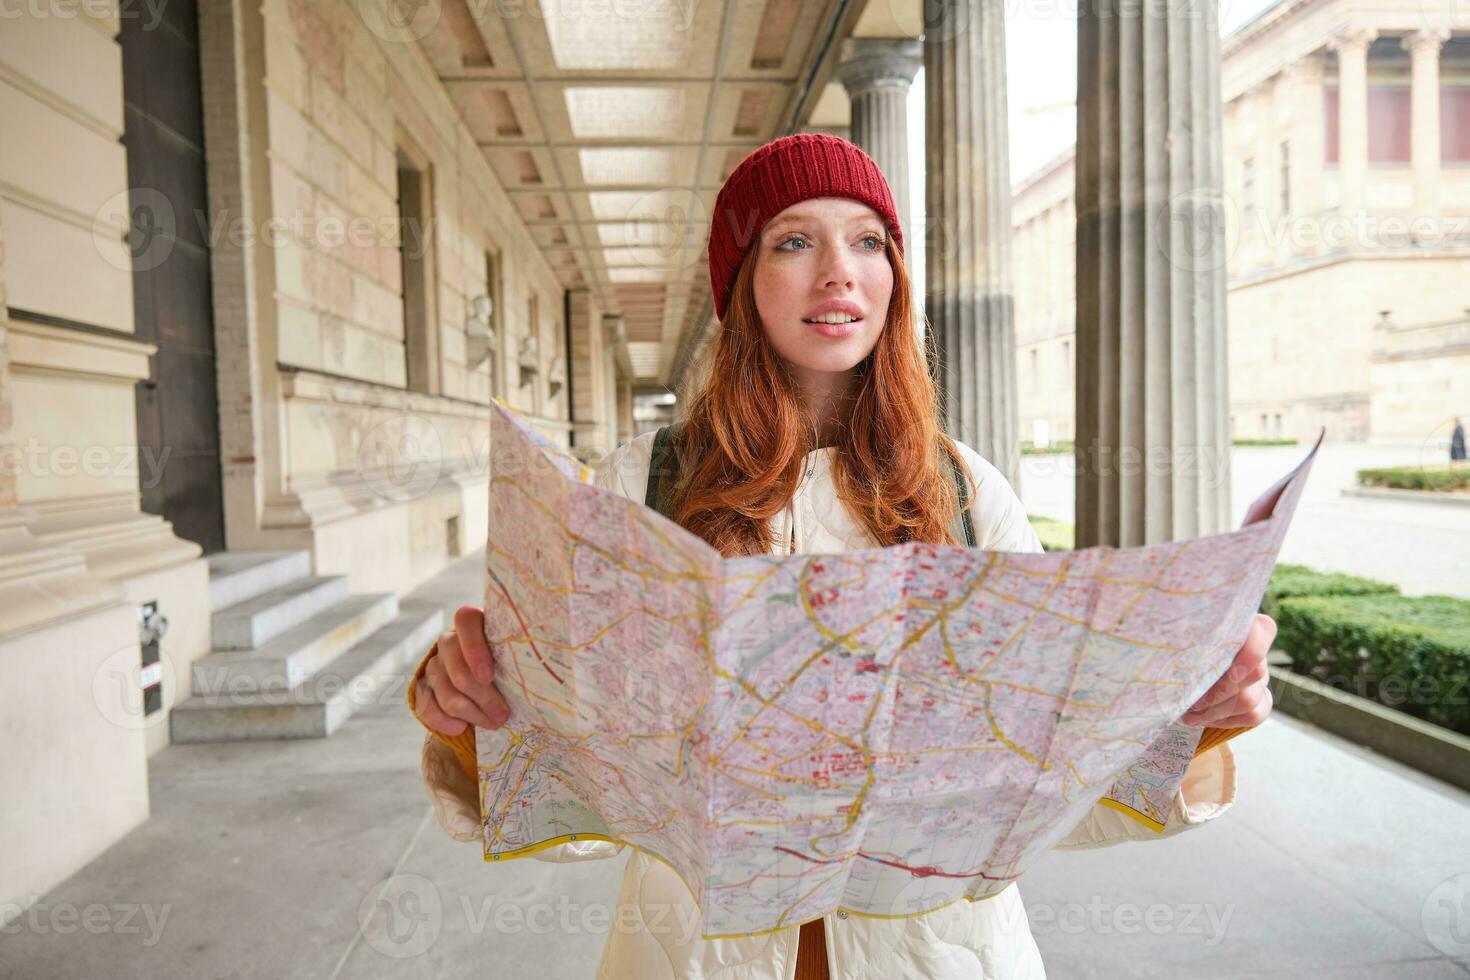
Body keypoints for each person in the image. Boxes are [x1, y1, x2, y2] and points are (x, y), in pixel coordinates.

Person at [407, 133, 1277, 979]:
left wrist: (1192, 716)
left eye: (868, 241)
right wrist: (476, 715)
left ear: (895, 278)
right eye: (795, 241)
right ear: (742, 285)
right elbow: (589, 792)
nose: (840, 271)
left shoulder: (970, 493)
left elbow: (1050, 785)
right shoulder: (642, 482)